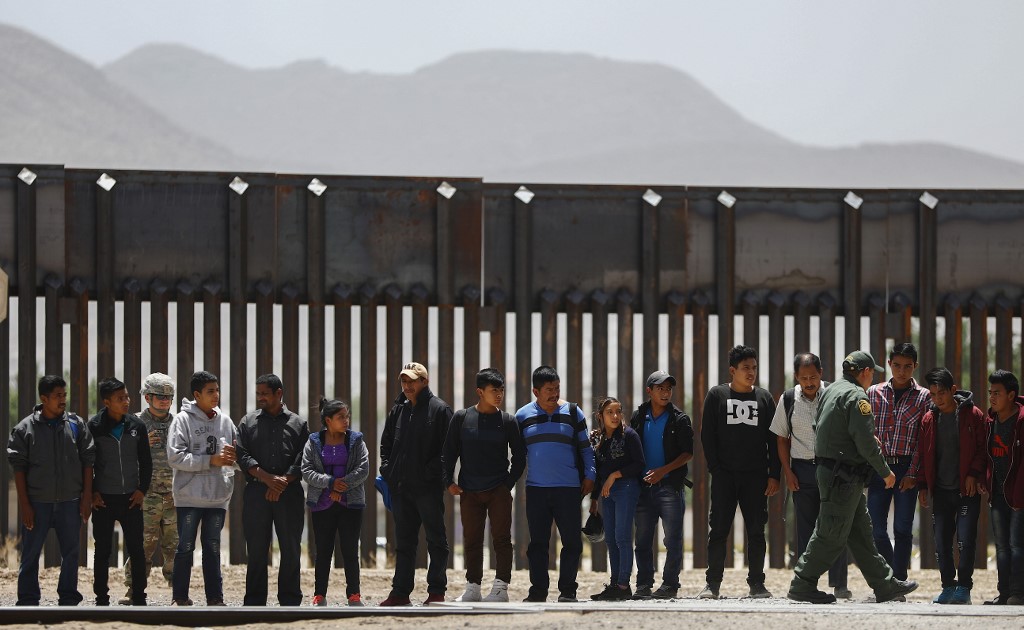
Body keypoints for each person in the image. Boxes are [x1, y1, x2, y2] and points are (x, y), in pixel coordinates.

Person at [787, 351, 919, 604]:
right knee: (830, 533)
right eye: (872, 373)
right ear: (865, 372)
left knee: (860, 533)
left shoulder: (832, 390)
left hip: (834, 473)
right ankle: (802, 582)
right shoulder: (858, 396)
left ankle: (884, 584)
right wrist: (885, 472)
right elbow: (866, 442)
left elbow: (821, 427)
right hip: (843, 476)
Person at [699, 345, 780, 599]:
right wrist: (716, 469)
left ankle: (757, 584)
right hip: (725, 477)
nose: (751, 373)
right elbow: (707, 436)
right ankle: (712, 585)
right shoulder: (717, 395)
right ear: (733, 370)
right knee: (719, 531)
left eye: (754, 368)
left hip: (756, 477)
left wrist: (774, 474)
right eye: (746, 368)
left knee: (757, 531)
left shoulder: (765, 398)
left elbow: (774, 439)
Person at [7, 375, 95, 606]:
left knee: (71, 554)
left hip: (70, 502)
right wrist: (25, 505)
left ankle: (68, 598)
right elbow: (19, 468)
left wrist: (86, 496)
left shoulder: (76, 425)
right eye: (58, 396)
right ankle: (27, 600)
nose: (63, 400)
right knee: (31, 554)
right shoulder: (25, 429)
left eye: (64, 395)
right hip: (38, 503)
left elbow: (88, 461)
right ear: (43, 398)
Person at [769, 353, 850, 600]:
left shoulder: (834, 396)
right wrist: (788, 471)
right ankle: (806, 583)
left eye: (813, 376)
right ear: (796, 377)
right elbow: (781, 438)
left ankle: (839, 583)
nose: (809, 382)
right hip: (801, 470)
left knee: (835, 526)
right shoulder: (788, 399)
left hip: (832, 469)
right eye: (803, 378)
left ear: (821, 373)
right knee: (805, 530)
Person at [903, 367, 986, 605]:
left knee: (966, 540)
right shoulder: (929, 419)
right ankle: (948, 586)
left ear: (953, 390)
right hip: (940, 490)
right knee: (941, 542)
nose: (937, 399)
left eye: (941, 393)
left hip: (966, 490)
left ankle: (964, 588)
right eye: (933, 394)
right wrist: (922, 485)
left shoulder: (973, 415)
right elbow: (923, 454)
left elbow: (982, 449)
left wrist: (973, 474)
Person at [442, 368, 526, 603]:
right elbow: (448, 453)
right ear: (480, 391)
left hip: (498, 489)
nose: (499, 395)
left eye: (501, 390)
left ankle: (500, 588)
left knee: (501, 539)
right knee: (472, 540)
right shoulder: (461, 418)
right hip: (469, 490)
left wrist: (507, 483)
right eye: (493, 390)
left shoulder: (507, 421)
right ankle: (473, 587)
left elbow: (520, 456)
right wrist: (448, 481)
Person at [516, 365, 596, 603]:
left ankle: (568, 590)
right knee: (538, 544)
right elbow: (517, 454)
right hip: (536, 490)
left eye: (557, 388)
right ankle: (538, 591)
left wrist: (590, 475)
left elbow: (586, 449)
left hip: (569, 490)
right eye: (549, 390)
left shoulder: (573, 412)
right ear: (535, 391)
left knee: (572, 541)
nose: (554, 393)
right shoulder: (522, 416)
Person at [379, 362, 453, 606]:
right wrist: (388, 470)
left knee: (436, 541)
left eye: (412, 381)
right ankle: (400, 593)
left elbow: (448, 451)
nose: (407, 386)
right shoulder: (398, 409)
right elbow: (386, 444)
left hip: (427, 489)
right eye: (404, 381)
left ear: (425, 382)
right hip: (401, 489)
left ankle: (436, 592)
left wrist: (428, 474)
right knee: (405, 544)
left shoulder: (440, 410)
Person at [236, 374, 310, 606]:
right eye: (258, 394)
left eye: (264, 394)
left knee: (290, 548)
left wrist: (281, 482)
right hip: (257, 493)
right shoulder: (247, 423)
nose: (260, 398)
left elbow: (303, 458)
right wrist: (268, 479)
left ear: (279, 393)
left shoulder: (299, 424)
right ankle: (255, 602)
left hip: (290, 494)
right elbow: (242, 455)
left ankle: (290, 601)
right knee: (257, 550)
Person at [167, 370, 238, 606]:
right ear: (197, 394)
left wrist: (233, 458)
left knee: (213, 548)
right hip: (189, 498)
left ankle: (215, 598)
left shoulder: (226, 421)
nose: (216, 395)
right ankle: (179, 596)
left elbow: (237, 458)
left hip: (218, 497)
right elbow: (175, 457)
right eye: (210, 391)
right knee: (185, 546)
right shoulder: (182, 420)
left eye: (217, 390)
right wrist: (210, 461)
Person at [866, 342, 931, 582]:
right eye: (896, 365)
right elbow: (866, 432)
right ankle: (888, 578)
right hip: (879, 466)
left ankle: (900, 579)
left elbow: (923, 441)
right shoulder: (873, 392)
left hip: (907, 467)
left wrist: (913, 473)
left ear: (915, 366)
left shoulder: (924, 397)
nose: (901, 371)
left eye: (907, 366)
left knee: (903, 528)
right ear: (889, 364)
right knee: (876, 528)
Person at [88, 378, 152, 606]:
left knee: (136, 549)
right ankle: (101, 598)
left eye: (126, 396)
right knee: (102, 550)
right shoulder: (94, 427)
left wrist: (142, 490)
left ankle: (139, 597)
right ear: (107, 402)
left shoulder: (137, 426)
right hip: (104, 499)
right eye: (120, 398)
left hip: (131, 499)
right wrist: (93, 492)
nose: (126, 401)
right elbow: (88, 464)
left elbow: (146, 462)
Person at [630, 370, 693, 600]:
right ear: (650, 391)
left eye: (668, 389)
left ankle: (669, 585)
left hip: (670, 487)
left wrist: (662, 472)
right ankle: (644, 584)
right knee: (643, 539)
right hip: (644, 489)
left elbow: (688, 453)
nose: (665, 393)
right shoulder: (638, 416)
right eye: (660, 388)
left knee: (673, 539)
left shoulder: (680, 418)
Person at [302, 398, 369, 607]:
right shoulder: (313, 441)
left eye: (347, 416)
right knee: (323, 551)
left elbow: (363, 468)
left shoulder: (356, 440)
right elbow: (307, 470)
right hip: (322, 504)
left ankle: (354, 594)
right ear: (328, 420)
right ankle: (319, 594)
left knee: (350, 550)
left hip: (350, 504)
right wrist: (330, 483)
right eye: (341, 417)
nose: (346, 420)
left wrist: (343, 486)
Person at [120, 373, 178, 605]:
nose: (164, 400)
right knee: (142, 546)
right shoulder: (133, 424)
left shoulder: (179, 423)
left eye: (168, 397)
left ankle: (179, 592)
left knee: (176, 547)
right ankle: (134, 591)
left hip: (174, 496)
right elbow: (119, 458)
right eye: (159, 396)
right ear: (147, 397)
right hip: (146, 496)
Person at [589, 397, 645, 601]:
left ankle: (623, 585)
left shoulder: (629, 435)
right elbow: (597, 471)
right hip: (606, 491)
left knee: (622, 537)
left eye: (618, 411)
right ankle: (614, 584)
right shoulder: (596, 438)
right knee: (611, 539)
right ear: (600, 416)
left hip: (626, 488)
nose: (615, 416)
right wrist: (594, 499)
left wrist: (615, 475)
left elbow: (639, 463)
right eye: (609, 412)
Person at [983, 369, 1024, 606]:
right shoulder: (990, 421)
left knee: (1017, 545)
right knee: (1001, 547)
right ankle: (1005, 593)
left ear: (1011, 395)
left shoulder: (1021, 421)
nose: (992, 397)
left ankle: (1018, 593)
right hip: (996, 493)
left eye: (997, 393)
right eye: (990, 393)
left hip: (1018, 495)